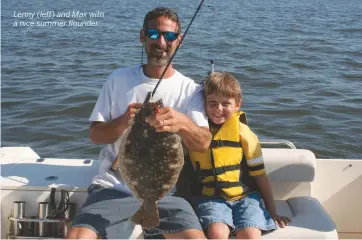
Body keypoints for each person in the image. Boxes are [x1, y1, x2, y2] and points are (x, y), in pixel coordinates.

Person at [66, 7, 211, 239]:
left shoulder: (190, 90)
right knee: (77, 236)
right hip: (113, 187)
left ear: (179, 41)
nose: (161, 42)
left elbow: (203, 143)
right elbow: (95, 136)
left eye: (169, 36)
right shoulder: (118, 79)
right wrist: (123, 121)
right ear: (142, 36)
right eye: (154, 34)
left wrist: (182, 122)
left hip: (165, 193)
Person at [188, 72, 291, 239]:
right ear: (203, 104)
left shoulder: (244, 133)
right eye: (212, 103)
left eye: (225, 104)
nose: (218, 109)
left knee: (250, 234)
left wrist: (273, 212)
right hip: (210, 197)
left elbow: (260, 177)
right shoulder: (195, 132)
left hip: (246, 197)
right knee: (217, 233)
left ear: (237, 105)